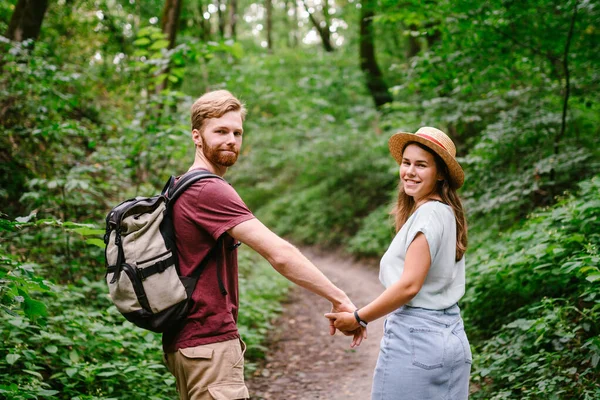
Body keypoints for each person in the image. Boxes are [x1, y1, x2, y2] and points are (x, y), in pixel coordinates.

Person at [162, 90, 364, 400]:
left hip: (187, 346)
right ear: (196, 136)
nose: (231, 139)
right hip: (209, 345)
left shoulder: (180, 185)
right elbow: (280, 254)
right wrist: (338, 298)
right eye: (220, 131)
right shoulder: (209, 189)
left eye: (237, 132)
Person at [326, 127, 471, 399]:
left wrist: (359, 317)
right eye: (406, 163)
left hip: (416, 340)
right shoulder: (445, 212)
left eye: (421, 165)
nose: (410, 172)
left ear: (440, 174)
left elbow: (409, 286)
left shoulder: (428, 215)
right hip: (451, 335)